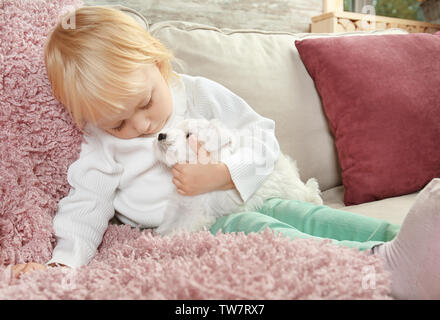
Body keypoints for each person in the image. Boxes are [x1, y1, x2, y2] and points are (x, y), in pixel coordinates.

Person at [12, 6, 440, 300]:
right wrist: (63, 263)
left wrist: (222, 173)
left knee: (301, 214)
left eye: (145, 104)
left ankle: (402, 243)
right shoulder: (101, 145)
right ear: (90, 122)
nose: (140, 127)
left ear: (160, 65)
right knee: (262, 227)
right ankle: (375, 266)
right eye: (116, 124)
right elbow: (85, 204)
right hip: (201, 223)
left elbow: (262, 139)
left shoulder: (197, 93)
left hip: (239, 192)